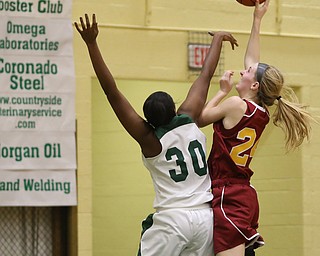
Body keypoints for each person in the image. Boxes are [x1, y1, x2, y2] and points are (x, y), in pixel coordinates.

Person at [75, 14, 238, 256]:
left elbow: (111, 92)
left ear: (148, 121)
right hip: (206, 218)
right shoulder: (189, 117)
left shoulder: (150, 140)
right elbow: (205, 75)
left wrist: (91, 44)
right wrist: (218, 39)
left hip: (173, 221)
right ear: (175, 108)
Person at [198, 0, 315, 256]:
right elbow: (254, 61)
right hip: (242, 193)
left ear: (254, 86)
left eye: (247, 71)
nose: (243, 69)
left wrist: (221, 91)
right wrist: (257, 19)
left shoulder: (236, 104)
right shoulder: (260, 111)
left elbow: (200, 117)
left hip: (229, 193)